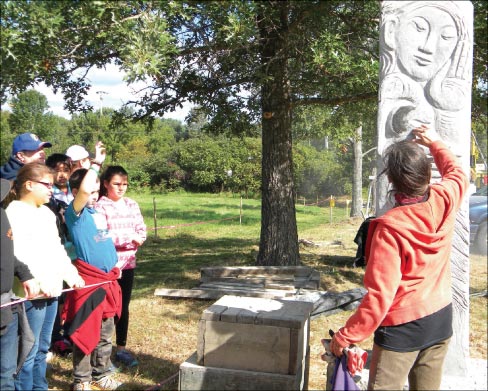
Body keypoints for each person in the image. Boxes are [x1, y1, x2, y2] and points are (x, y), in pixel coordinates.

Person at [328, 125, 469, 390]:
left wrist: (346, 336)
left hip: (402, 330)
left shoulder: (389, 229)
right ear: (427, 174)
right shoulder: (446, 198)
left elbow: (380, 297)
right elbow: (458, 173)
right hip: (440, 319)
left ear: (391, 181)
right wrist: (435, 143)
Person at [5, 163, 85, 391]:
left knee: (42, 348)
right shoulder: (14, 212)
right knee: (27, 351)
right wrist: (38, 285)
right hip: (32, 295)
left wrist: (72, 275)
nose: (52, 190)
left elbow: (57, 249)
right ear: (29, 185)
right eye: (47, 185)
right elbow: (17, 255)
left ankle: (40, 386)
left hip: (53, 291)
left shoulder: (47, 213)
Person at [62, 142, 124, 391]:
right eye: (90, 191)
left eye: (98, 190)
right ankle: (82, 379)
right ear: (76, 192)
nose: (95, 193)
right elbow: (86, 187)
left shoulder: (97, 213)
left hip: (107, 280)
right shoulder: (73, 214)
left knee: (105, 332)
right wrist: (96, 163)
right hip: (88, 283)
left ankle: (102, 371)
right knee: (85, 331)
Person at [96, 165, 146, 368]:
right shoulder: (100, 206)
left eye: (124, 184)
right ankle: (102, 353)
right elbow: (101, 236)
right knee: (108, 309)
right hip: (108, 266)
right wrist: (128, 238)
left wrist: (137, 238)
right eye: (116, 184)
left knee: (123, 307)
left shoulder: (131, 204)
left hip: (128, 264)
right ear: (106, 184)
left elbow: (141, 231)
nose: (121, 188)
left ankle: (121, 349)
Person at [0, 178, 40, 391]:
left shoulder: (1, 213)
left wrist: (24, 274)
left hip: (6, 304)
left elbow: (6, 255)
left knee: (6, 371)